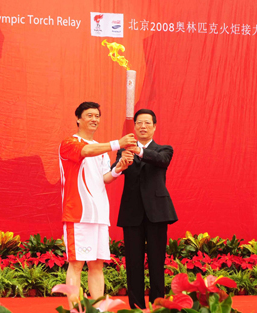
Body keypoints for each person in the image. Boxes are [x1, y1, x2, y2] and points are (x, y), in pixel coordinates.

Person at [59, 101, 136, 307]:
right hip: (78, 215)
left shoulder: (101, 149)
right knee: (76, 265)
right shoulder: (69, 143)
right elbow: (85, 152)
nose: (94, 119)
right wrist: (117, 144)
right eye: (89, 115)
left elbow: (105, 178)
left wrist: (119, 167)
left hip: (100, 215)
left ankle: (98, 309)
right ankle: (76, 310)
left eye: (97, 116)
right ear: (78, 119)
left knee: (97, 265)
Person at [112, 109, 178, 309]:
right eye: (139, 123)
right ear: (134, 127)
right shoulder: (124, 150)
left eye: (147, 123)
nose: (143, 126)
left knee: (157, 262)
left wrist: (138, 151)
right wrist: (122, 162)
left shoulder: (164, 149)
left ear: (154, 126)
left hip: (157, 213)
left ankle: (158, 306)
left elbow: (161, 162)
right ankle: (136, 307)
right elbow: (115, 168)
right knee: (133, 264)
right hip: (132, 214)